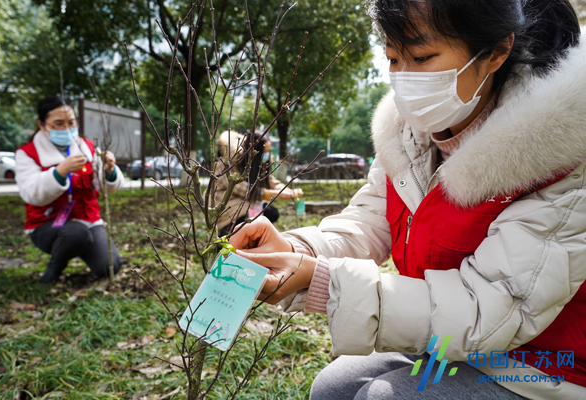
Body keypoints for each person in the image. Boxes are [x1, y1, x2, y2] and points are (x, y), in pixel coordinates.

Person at [229, 0, 586, 399]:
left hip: (542, 365)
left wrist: (326, 282)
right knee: (332, 386)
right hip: (451, 343)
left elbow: (490, 308)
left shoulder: (562, 160)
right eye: (394, 58)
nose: (403, 79)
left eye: (421, 56)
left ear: (496, 53)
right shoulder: (411, 135)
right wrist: (298, 248)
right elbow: (368, 220)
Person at [15, 96, 125, 284]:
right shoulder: (27, 153)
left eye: (71, 122)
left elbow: (107, 189)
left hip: (88, 219)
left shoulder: (88, 147)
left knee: (110, 266)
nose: (67, 128)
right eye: (58, 123)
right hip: (47, 224)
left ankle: (79, 246)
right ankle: (55, 268)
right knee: (76, 233)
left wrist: (109, 170)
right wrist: (60, 171)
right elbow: (30, 193)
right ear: (42, 125)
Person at [215, 131, 303, 236]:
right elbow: (243, 189)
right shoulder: (227, 165)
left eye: (268, 151)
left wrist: (290, 191)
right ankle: (228, 237)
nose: (267, 154)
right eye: (264, 151)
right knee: (249, 216)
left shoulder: (256, 164)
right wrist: (274, 194)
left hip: (245, 205)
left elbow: (271, 181)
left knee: (272, 213)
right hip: (227, 207)